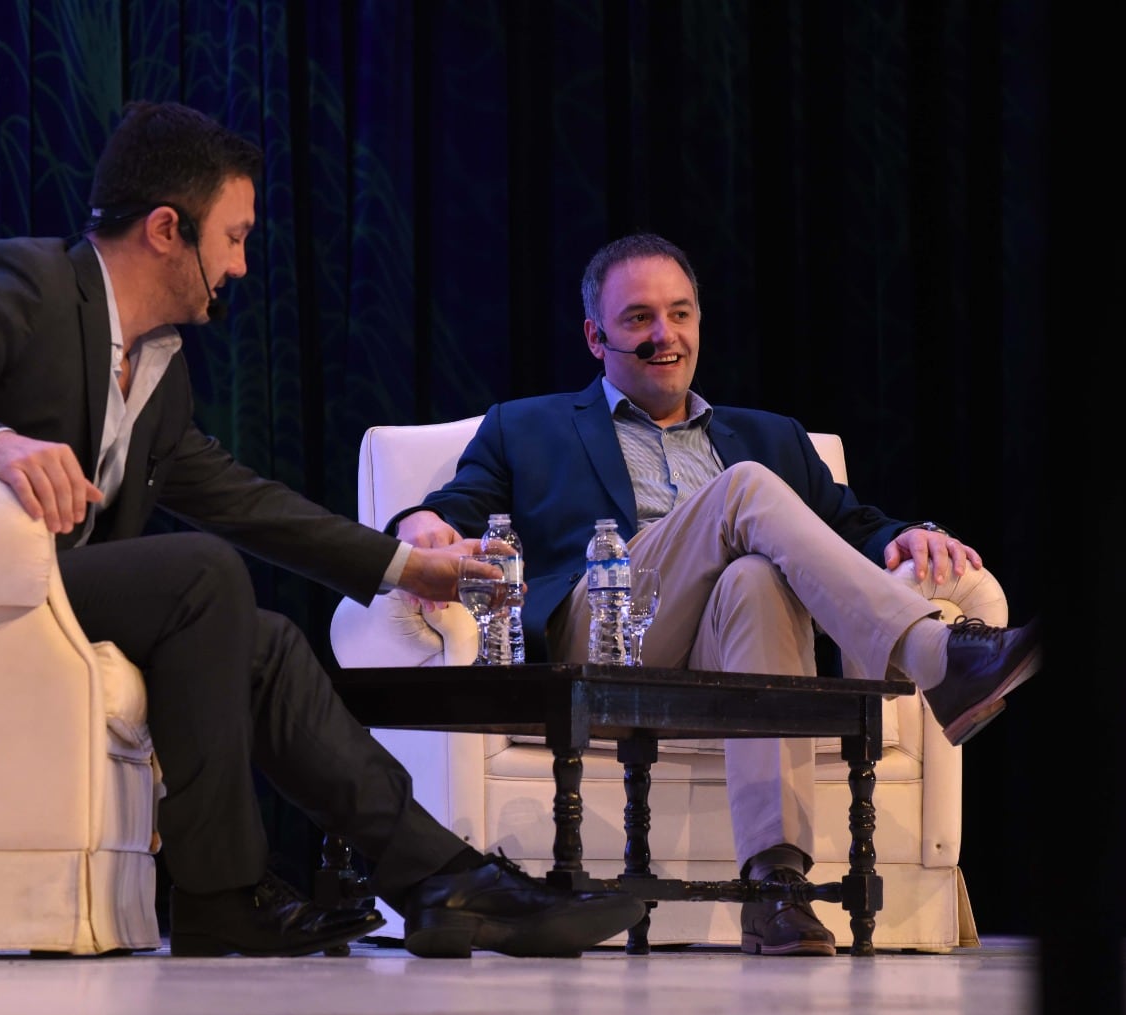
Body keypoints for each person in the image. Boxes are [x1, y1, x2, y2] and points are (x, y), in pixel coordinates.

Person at [0, 101, 644, 959]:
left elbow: (246, 501)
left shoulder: (158, 375)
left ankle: (441, 879)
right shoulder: (21, 284)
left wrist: (408, 567)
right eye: (235, 237)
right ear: (169, 229)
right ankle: (219, 890)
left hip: (34, 598)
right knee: (199, 575)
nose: (242, 266)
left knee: (268, 644)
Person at [392, 232, 1041, 958]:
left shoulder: (771, 434)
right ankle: (935, 656)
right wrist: (420, 526)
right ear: (595, 335)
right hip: (602, 639)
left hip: (721, 646)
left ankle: (775, 886)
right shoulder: (527, 425)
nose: (664, 335)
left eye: (680, 313)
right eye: (638, 318)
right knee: (744, 490)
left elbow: (852, 525)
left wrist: (912, 533)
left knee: (755, 579)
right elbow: (455, 504)